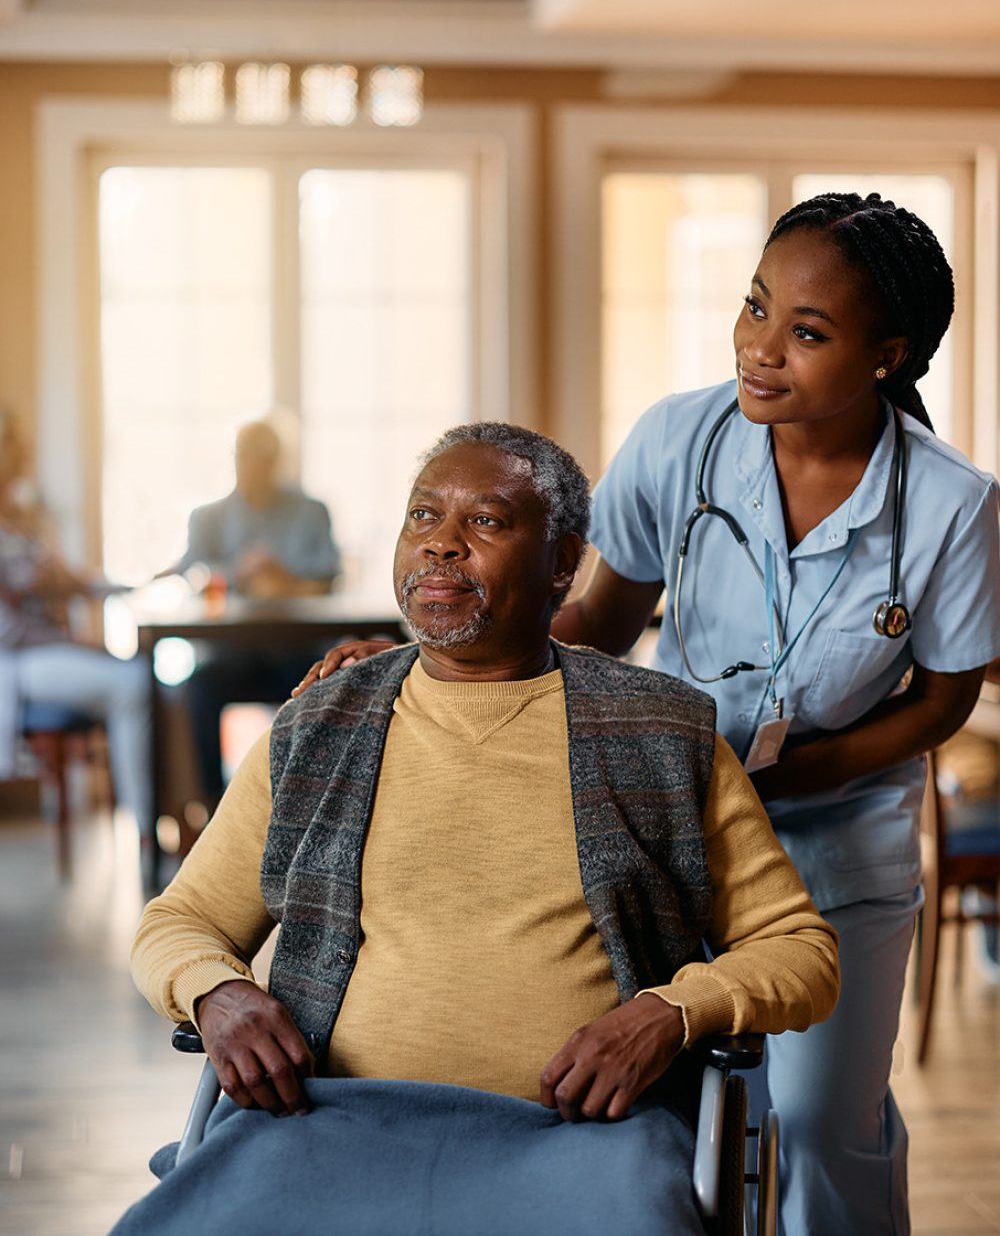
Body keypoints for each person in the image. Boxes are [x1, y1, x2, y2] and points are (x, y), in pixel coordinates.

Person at [296, 194, 1000, 1236]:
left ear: (888, 355)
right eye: (755, 308)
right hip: (672, 821)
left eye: (805, 333)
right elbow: (588, 621)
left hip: (839, 832)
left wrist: (799, 774)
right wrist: (422, 660)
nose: (760, 349)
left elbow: (943, 699)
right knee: (670, 1098)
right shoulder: (681, 438)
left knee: (816, 1122)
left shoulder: (950, 505)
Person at [121, 424, 839, 1236]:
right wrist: (218, 993)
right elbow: (177, 923)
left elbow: (800, 950)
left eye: (487, 522)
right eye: (423, 517)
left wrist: (668, 1012)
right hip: (323, 1120)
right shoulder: (319, 725)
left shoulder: (660, 733)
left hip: (585, 1137)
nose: (443, 547)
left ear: (564, 563)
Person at [0, 404, 153, 846]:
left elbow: (68, 578)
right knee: (133, 685)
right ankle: (146, 829)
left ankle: (179, 821)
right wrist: (74, 644)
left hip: (45, 650)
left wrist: (134, 584)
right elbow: (8, 630)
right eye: (16, 446)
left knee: (157, 686)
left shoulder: (21, 519)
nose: (25, 455)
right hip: (17, 662)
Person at [168, 419, 342, 806]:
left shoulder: (311, 511)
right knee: (197, 690)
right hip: (230, 653)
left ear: (277, 461)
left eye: (263, 458)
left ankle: (314, 807)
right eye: (246, 457)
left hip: (299, 651)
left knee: (331, 685)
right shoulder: (207, 518)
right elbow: (193, 574)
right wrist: (238, 573)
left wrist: (284, 576)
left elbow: (328, 575)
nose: (253, 467)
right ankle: (211, 808)